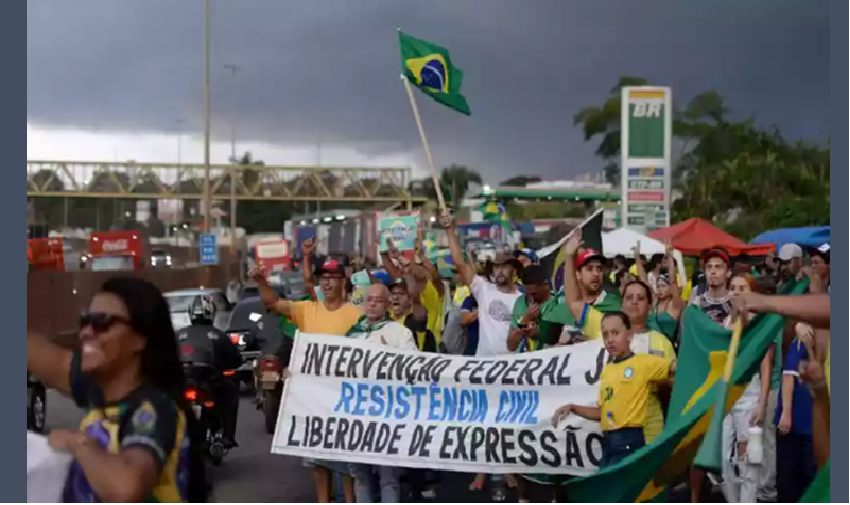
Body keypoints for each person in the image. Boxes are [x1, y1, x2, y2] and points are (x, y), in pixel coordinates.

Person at [27, 277, 207, 503]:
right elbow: (41, 354)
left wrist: (77, 442)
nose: (86, 333)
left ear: (140, 339)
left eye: (102, 323)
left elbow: (126, 488)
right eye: (85, 321)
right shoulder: (100, 389)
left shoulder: (152, 410)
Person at [251, 255, 362, 504]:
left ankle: (350, 501)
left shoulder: (356, 314)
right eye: (323, 278)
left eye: (332, 278)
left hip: (345, 395)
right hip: (314, 398)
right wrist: (261, 281)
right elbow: (272, 302)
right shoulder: (306, 309)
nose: (326, 283)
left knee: (346, 455)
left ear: (343, 282)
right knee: (317, 457)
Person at [443, 208, 522, 499]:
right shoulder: (483, 290)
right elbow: (460, 262)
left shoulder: (523, 299)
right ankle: (483, 470)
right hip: (484, 369)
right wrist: (450, 230)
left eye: (505, 266)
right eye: (496, 267)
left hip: (513, 371)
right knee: (485, 422)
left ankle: (507, 468)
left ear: (514, 269)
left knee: (508, 423)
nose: (500, 271)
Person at [552, 312, 675, 468]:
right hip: (608, 441)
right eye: (605, 335)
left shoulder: (643, 362)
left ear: (629, 335)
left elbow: (676, 367)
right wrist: (573, 408)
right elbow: (602, 412)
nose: (610, 340)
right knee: (607, 488)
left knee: (615, 488)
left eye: (615, 333)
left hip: (630, 439)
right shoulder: (608, 370)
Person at [346, 285, 416, 503]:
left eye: (378, 299)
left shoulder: (400, 333)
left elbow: (415, 368)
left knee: (388, 478)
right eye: (369, 299)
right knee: (361, 476)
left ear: (387, 304)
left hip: (388, 413)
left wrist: (391, 354)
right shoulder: (351, 334)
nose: (373, 303)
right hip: (357, 414)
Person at [720, 274, 777, 504]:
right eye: (732, 287)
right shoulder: (724, 322)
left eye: (741, 287)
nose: (735, 291)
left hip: (750, 396)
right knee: (721, 461)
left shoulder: (759, 323)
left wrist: (762, 403)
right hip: (725, 399)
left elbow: (765, 367)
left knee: (749, 460)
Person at [176, 295, 243, 449]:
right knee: (230, 394)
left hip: (184, 381)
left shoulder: (179, 335)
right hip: (209, 381)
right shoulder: (219, 335)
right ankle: (227, 436)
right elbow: (236, 360)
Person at [775, 337, 817, 502]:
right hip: (798, 423)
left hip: (811, 424)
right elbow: (788, 375)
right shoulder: (802, 340)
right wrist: (786, 413)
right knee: (791, 480)